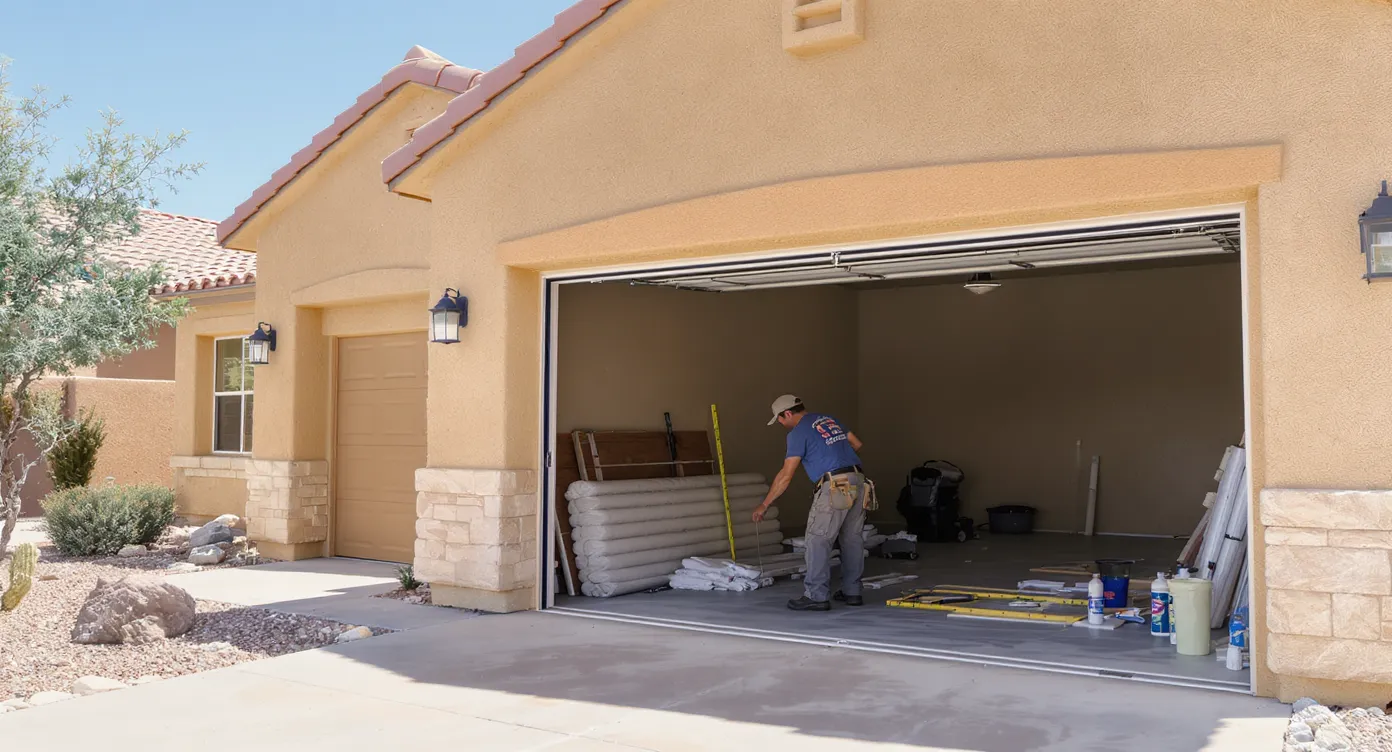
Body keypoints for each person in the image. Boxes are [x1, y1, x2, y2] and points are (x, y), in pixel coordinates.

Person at [752, 394, 867, 611]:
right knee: (851, 538)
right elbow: (856, 443)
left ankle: (816, 595)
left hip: (837, 483)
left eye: (780, 419)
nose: (781, 424)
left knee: (818, 539)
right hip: (858, 480)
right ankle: (853, 592)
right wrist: (834, 456)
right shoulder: (829, 420)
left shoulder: (798, 433)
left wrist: (765, 504)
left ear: (787, 414)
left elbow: (786, 475)